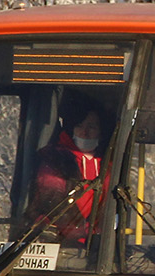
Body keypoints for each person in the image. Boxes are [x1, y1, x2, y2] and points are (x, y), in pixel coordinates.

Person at [26, 102, 109, 243]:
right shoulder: (55, 159)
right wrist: (78, 231)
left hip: (98, 248)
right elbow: (52, 201)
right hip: (61, 243)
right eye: (79, 126)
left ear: (101, 132)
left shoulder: (109, 166)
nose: (84, 132)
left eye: (91, 127)